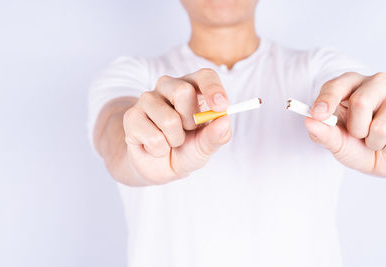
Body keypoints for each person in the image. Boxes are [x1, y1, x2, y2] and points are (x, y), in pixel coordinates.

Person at [88, 0, 386, 266]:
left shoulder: (322, 68)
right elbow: (113, 134)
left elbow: (364, 97)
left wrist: (374, 120)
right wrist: (136, 149)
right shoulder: (130, 77)